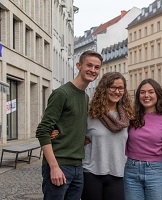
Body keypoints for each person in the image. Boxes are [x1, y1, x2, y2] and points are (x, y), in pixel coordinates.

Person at [36, 50, 103, 200]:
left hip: (77, 166)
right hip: (59, 164)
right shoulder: (62, 93)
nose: (93, 70)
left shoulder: (85, 97)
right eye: (89, 65)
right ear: (79, 65)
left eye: (97, 67)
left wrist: (82, 137)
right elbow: (42, 131)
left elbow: (72, 125)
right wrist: (54, 167)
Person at [81, 72, 133, 200]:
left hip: (117, 173)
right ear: (104, 89)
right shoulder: (90, 113)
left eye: (120, 88)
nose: (117, 91)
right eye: (112, 87)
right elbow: (74, 132)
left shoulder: (128, 116)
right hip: (91, 172)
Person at [124, 79, 162, 200]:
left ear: (157, 95)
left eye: (150, 92)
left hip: (155, 171)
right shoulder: (131, 117)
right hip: (131, 170)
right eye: (142, 92)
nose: (146, 95)